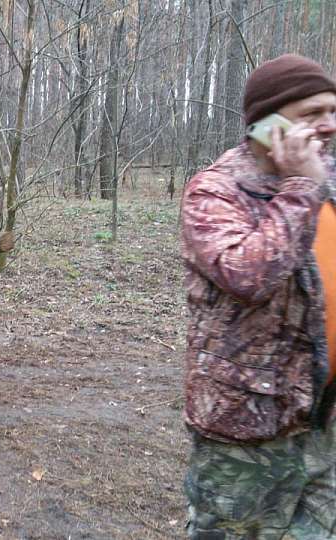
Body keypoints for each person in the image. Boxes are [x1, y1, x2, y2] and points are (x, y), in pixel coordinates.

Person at [180, 54, 336, 538]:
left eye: (334, 111)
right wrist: (301, 187)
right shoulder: (215, 192)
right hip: (246, 433)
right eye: (312, 114)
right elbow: (249, 275)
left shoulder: (327, 177)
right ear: (267, 124)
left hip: (319, 418)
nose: (328, 126)